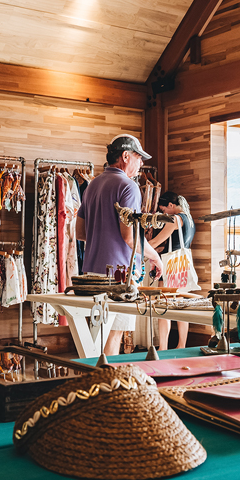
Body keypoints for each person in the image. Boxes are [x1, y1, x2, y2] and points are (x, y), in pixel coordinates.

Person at [76, 134, 163, 355]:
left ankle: (95, 382)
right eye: (138, 157)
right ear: (125, 156)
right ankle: (108, 384)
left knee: (95, 337)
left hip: (91, 273)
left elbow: (79, 232)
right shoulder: (128, 186)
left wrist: (102, 238)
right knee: (114, 335)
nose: (141, 164)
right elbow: (130, 236)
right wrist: (154, 256)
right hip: (119, 275)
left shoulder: (92, 185)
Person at [147, 191, 195, 349]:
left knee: (163, 307)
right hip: (182, 267)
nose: (163, 213)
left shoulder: (174, 219)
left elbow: (155, 241)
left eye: (164, 209)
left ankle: (163, 346)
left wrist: (139, 248)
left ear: (171, 205)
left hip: (169, 267)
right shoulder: (189, 218)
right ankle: (182, 345)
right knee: (181, 308)